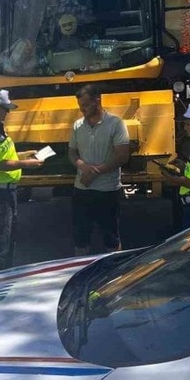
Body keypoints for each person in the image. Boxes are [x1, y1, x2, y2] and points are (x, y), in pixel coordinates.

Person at [0, 90, 43, 273]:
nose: (7, 113)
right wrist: (25, 164)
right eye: (4, 109)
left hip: (8, 192)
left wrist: (25, 155)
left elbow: (6, 155)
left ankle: (5, 277)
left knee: (8, 240)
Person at [68, 84, 131, 255]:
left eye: (86, 105)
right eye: (80, 106)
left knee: (111, 238)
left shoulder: (116, 124)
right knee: (80, 239)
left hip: (108, 190)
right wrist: (81, 166)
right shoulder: (77, 126)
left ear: (98, 100)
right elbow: (72, 152)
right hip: (82, 190)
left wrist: (93, 172)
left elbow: (122, 156)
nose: (82, 109)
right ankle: (80, 273)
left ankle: (115, 275)